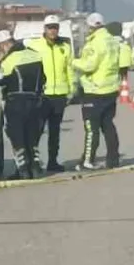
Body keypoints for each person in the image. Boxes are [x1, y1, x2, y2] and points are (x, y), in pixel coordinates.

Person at [0, 29, 47, 179]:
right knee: (32, 134)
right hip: (36, 101)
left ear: (4, 44)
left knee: (16, 135)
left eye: (0, 46)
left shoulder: (10, 60)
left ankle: (23, 169)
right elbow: (43, 78)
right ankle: (35, 167)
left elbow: (1, 81)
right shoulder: (34, 54)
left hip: (15, 102)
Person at [25, 15, 75, 173]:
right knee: (37, 131)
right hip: (42, 96)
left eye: (55, 27)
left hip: (59, 96)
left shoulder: (65, 47)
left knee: (55, 132)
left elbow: (69, 70)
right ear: (44, 29)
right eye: (50, 27)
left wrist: (71, 91)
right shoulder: (35, 46)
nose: (53, 30)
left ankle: (53, 161)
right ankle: (33, 162)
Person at [73, 12, 123, 171]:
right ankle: (113, 160)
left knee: (91, 127)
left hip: (94, 90)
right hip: (110, 89)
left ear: (90, 26)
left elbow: (89, 65)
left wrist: (72, 62)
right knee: (108, 125)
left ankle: (88, 160)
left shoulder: (95, 43)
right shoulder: (112, 40)